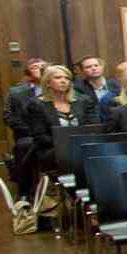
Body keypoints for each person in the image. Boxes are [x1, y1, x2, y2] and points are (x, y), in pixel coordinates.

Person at [15, 64, 96, 195]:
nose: (63, 81)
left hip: (82, 147)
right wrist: (64, 146)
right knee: (69, 160)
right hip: (52, 149)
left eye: (67, 78)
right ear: (47, 82)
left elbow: (93, 127)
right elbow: (40, 136)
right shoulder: (37, 105)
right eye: (58, 78)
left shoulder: (83, 101)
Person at [73, 56, 119, 122]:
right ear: (82, 71)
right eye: (88, 67)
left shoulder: (116, 85)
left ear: (102, 67)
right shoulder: (78, 88)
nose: (93, 68)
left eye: (96, 65)